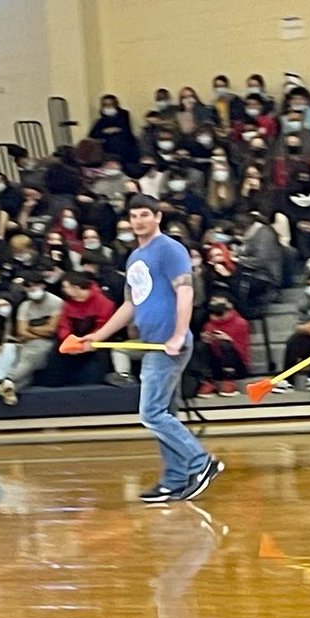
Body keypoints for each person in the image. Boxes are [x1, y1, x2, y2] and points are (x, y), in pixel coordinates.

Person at [73, 194, 223, 502]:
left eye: (145, 214)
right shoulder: (133, 258)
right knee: (165, 411)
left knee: (151, 413)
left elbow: (185, 291)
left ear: (157, 217)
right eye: (134, 216)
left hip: (168, 343)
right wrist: (98, 334)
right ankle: (174, 479)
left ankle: (200, 462)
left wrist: (179, 334)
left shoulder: (169, 248)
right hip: (152, 342)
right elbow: (130, 304)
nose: (139, 221)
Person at [0, 273, 63, 405]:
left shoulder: (56, 302)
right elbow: (21, 332)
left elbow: (51, 330)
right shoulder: (25, 306)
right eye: (28, 287)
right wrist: (38, 331)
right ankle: (10, 388)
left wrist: (30, 329)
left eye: (35, 285)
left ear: (43, 285)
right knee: (28, 364)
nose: (32, 289)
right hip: (29, 342)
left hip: (50, 342)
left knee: (30, 357)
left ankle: (8, 379)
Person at [193, 292, 250, 397]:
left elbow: (243, 350)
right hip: (216, 363)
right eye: (213, 313)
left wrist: (229, 340)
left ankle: (229, 381)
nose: (216, 317)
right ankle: (207, 381)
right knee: (200, 346)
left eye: (220, 313)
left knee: (225, 344)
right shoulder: (209, 325)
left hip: (237, 364)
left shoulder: (241, 323)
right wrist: (207, 339)